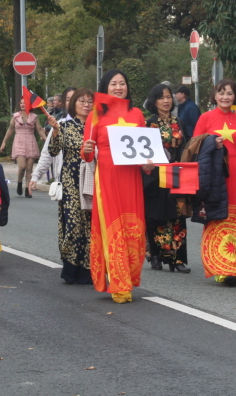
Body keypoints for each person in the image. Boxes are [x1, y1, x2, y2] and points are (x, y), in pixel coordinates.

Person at [82, 69, 149, 304]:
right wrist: (87, 151)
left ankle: (129, 276)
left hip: (131, 177)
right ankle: (119, 283)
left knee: (134, 227)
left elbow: (143, 151)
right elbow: (87, 154)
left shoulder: (137, 114)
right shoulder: (96, 114)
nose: (118, 87)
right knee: (113, 225)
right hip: (108, 176)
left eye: (122, 83)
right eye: (113, 84)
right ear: (105, 87)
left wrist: (148, 164)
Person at [193, 79, 236, 285]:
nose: (225, 96)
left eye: (229, 93)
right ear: (215, 95)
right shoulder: (205, 118)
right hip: (214, 175)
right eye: (221, 92)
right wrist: (209, 143)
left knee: (234, 218)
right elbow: (194, 145)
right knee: (217, 215)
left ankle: (231, 265)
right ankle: (219, 265)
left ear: (235, 97)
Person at [45, 88, 94, 284]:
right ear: (73, 104)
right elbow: (54, 151)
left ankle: (89, 270)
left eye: (89, 101)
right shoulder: (64, 125)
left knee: (90, 225)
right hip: (71, 179)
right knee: (74, 225)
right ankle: (71, 268)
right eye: (81, 101)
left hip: (91, 178)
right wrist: (55, 131)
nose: (86, 104)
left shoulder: (96, 127)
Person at [142, 83, 190, 273]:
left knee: (177, 215)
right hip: (154, 175)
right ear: (154, 101)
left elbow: (185, 148)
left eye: (169, 96)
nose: (166, 100)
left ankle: (177, 259)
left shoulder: (179, 123)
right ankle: (155, 255)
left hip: (176, 173)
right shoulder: (149, 123)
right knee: (156, 216)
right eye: (162, 97)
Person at [30, 87, 76, 190]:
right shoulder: (59, 125)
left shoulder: (91, 125)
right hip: (64, 182)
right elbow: (47, 153)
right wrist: (36, 175)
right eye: (68, 99)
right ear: (64, 103)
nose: (72, 102)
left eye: (75, 98)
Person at [0, 97, 47, 198]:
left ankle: (27, 189)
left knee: (29, 167)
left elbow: (39, 129)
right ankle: (19, 182)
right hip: (19, 142)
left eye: (24, 103)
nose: (22, 105)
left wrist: (47, 140)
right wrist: (4, 142)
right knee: (22, 167)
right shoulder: (16, 116)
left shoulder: (34, 117)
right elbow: (10, 129)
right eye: (21, 103)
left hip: (30, 141)